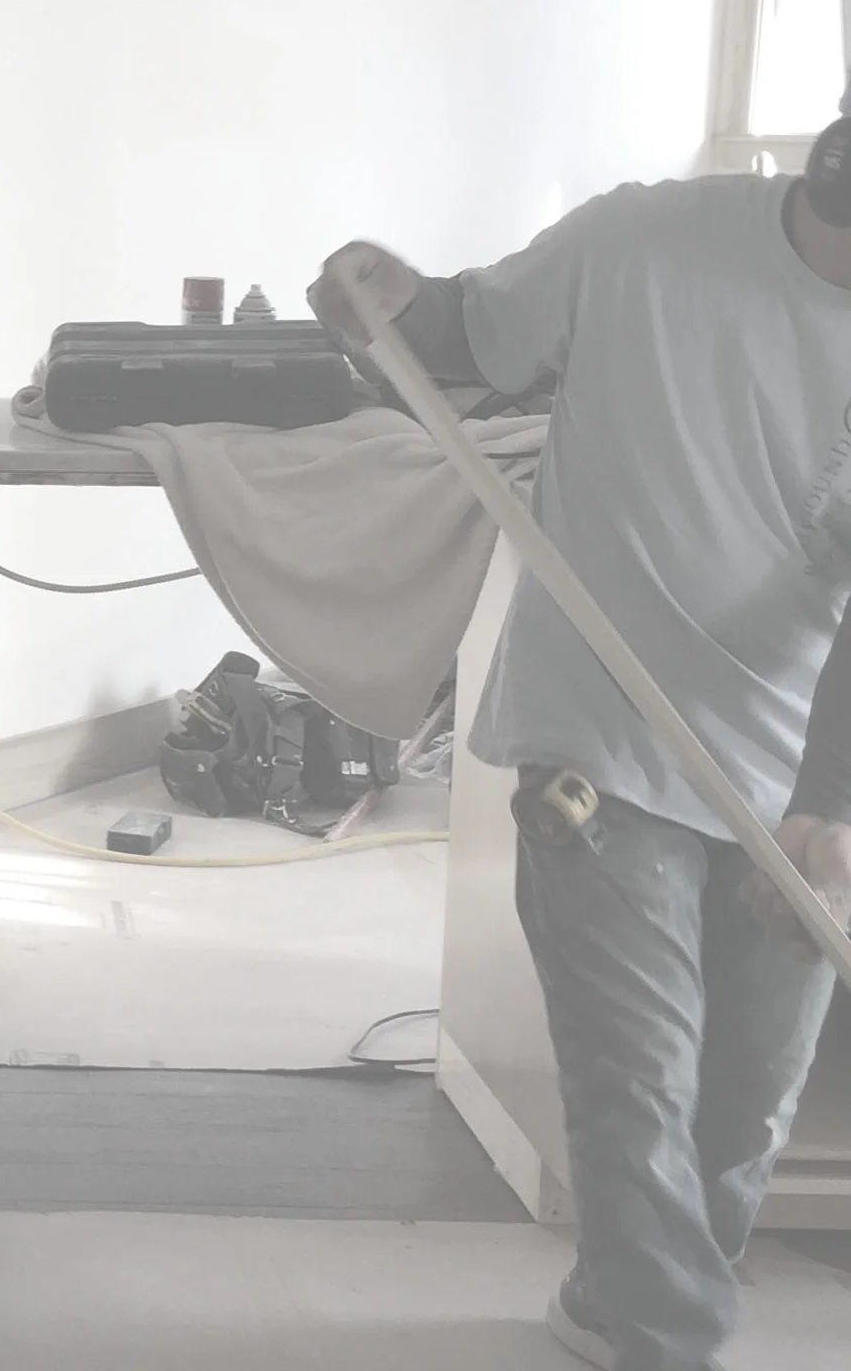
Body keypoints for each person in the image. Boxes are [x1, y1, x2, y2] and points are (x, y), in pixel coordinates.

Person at [310, 147, 851, 1371]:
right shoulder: (642, 243)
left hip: (792, 752)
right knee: (639, 1086)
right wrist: (389, 301)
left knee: (744, 1116)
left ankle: (618, 1305)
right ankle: (667, 1343)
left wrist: (831, 803)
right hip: (599, 736)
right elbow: (467, 333)